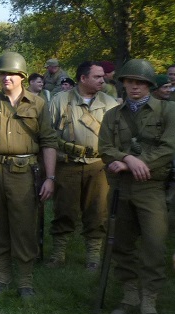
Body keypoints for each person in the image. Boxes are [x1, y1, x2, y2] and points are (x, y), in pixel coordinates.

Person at [0, 51, 56, 298]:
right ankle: (3, 275)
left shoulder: (38, 104)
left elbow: (48, 141)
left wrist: (50, 178)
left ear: (22, 76)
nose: (6, 77)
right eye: (2, 73)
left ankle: (25, 280)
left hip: (24, 171)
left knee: (24, 224)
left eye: (11, 73)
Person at [98, 60, 175, 314]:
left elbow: (168, 148)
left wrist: (136, 163)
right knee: (122, 243)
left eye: (140, 82)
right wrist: (128, 159)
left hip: (151, 187)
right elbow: (106, 149)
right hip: (121, 187)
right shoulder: (113, 115)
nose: (135, 86)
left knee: (154, 244)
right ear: (123, 84)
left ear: (150, 85)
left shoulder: (168, 111)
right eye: (130, 81)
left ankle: (149, 300)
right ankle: (129, 294)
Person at [41, 61, 120, 269]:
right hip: (67, 164)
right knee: (64, 210)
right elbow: (48, 135)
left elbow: (118, 137)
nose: (102, 80)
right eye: (97, 76)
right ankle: (58, 254)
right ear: (83, 78)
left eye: (103, 76)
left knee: (97, 211)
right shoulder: (60, 100)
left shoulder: (110, 103)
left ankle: (93, 256)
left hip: (99, 166)